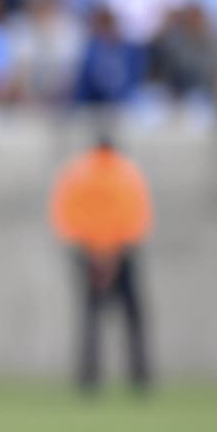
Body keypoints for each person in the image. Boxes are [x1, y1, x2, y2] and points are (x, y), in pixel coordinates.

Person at [49, 130, 152, 392]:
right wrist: (114, 253)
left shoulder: (77, 172)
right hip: (121, 253)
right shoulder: (127, 172)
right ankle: (140, 378)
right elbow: (136, 215)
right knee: (133, 316)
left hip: (88, 254)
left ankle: (89, 379)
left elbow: (66, 215)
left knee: (90, 317)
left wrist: (92, 252)